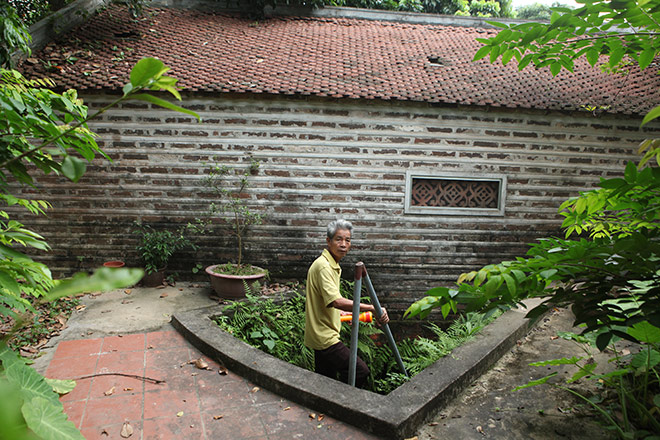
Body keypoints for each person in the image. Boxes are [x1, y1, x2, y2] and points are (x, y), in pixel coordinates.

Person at [304, 219, 389, 388]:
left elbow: (327, 300)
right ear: (328, 241)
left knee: (324, 381)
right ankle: (344, 401)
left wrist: (343, 314)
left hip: (320, 333)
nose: (343, 244)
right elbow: (336, 301)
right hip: (325, 337)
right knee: (359, 371)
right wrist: (373, 307)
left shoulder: (331, 264)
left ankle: (327, 408)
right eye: (338, 239)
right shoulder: (324, 267)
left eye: (347, 240)